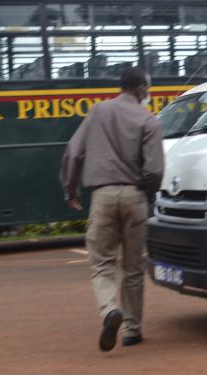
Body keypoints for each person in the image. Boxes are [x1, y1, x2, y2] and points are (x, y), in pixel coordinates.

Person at [60, 67, 164, 351]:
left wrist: (71, 189)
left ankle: (109, 310)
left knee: (103, 263)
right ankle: (132, 329)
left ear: (122, 87)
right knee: (133, 267)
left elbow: (73, 151)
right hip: (135, 196)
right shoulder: (149, 120)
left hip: (103, 195)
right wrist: (148, 194)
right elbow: (154, 170)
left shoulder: (98, 112)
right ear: (142, 89)